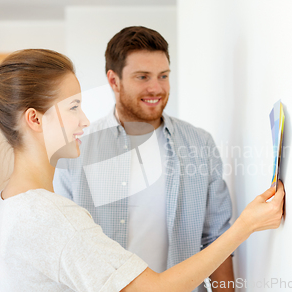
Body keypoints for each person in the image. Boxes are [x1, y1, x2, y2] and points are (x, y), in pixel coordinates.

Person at [0, 48, 285, 292]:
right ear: (35, 119)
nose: (84, 120)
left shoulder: (14, 198)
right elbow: (155, 290)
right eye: (73, 107)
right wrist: (247, 225)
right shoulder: (50, 216)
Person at [53, 26, 235, 291]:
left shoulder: (199, 144)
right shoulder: (77, 149)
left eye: (163, 76)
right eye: (142, 77)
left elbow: (218, 240)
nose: (156, 88)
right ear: (114, 81)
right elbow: (65, 245)